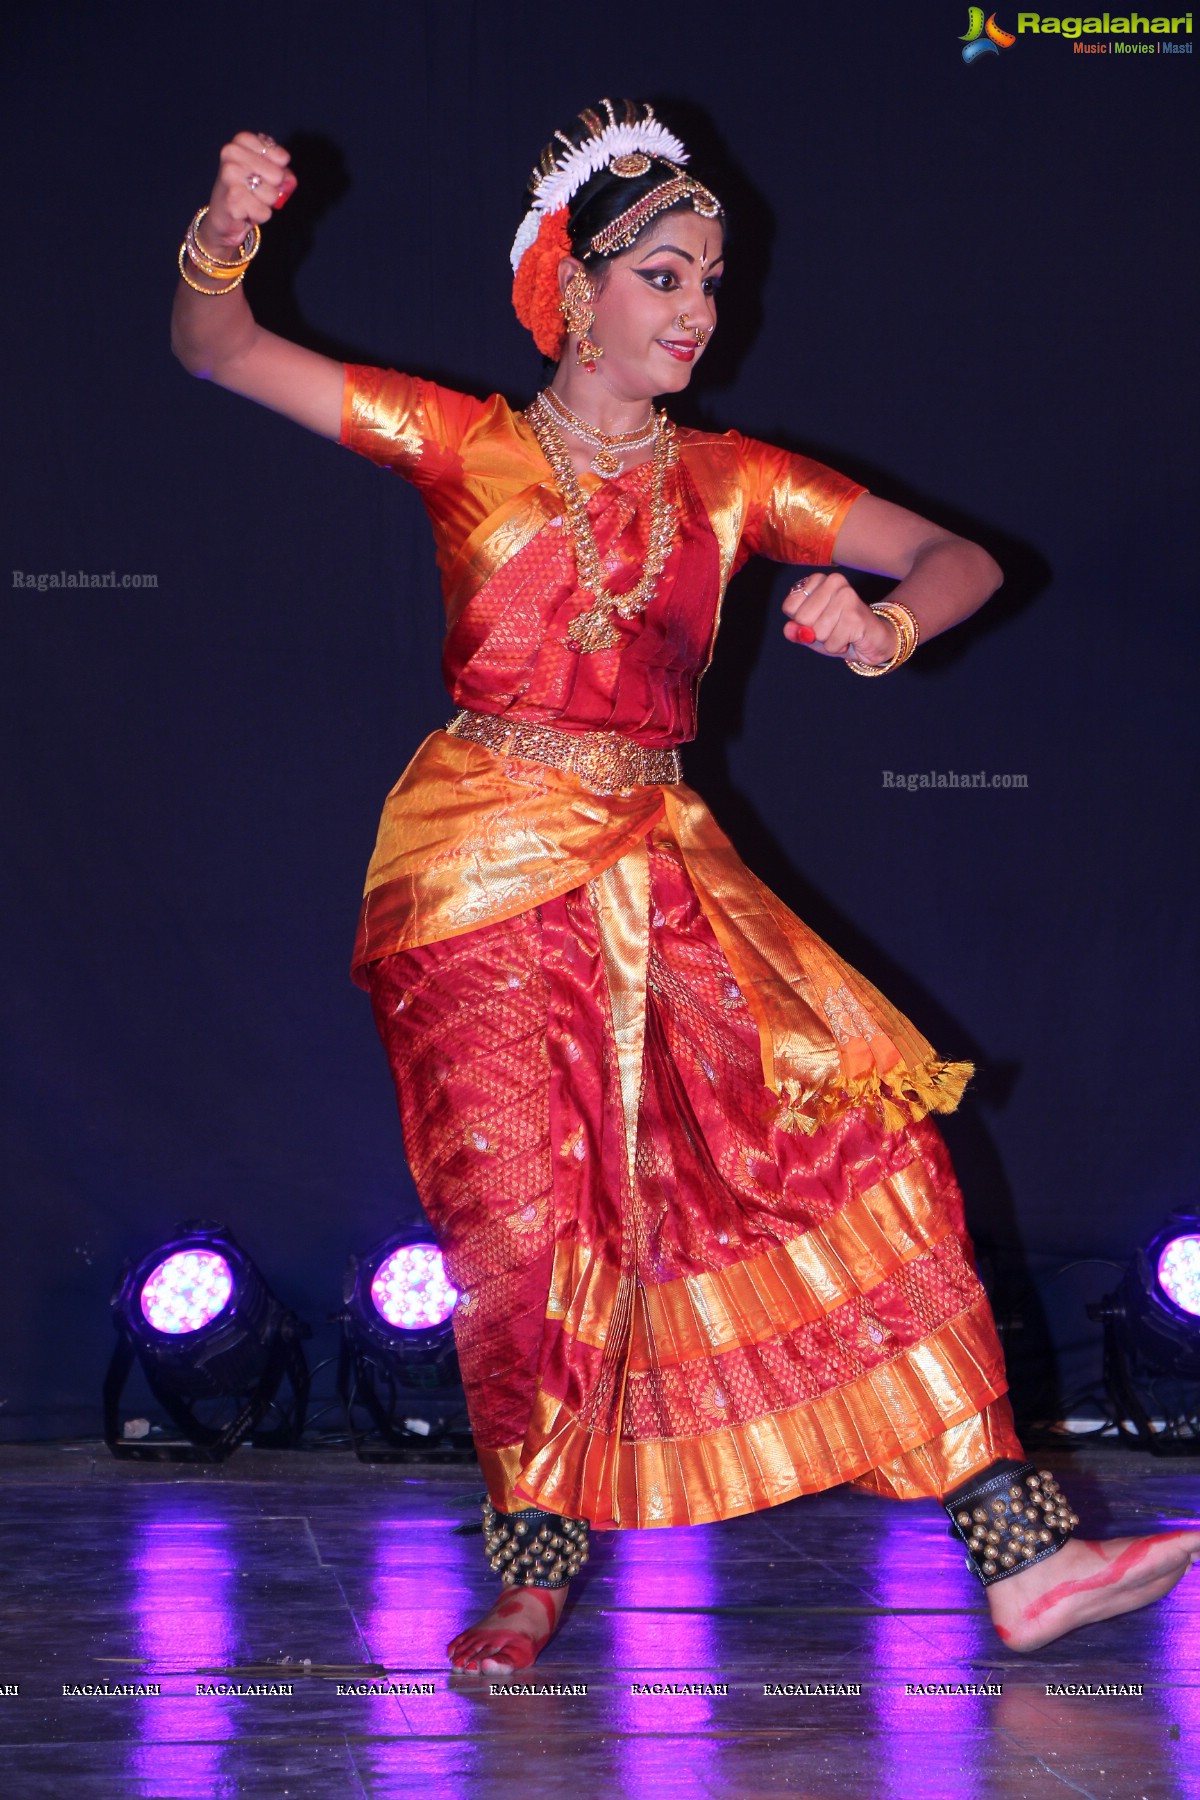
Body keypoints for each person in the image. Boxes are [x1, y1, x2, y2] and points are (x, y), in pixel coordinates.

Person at [171, 99, 1198, 1677]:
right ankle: (530, 1561)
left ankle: (1022, 1554)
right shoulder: (470, 445)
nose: (702, 310)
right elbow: (224, 351)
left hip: (663, 869)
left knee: (863, 1144)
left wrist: (891, 628)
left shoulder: (733, 482)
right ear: (576, 289)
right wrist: (228, 233)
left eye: (714, 283)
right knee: (526, 1226)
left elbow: (959, 559)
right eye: (667, 275)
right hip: (477, 879)